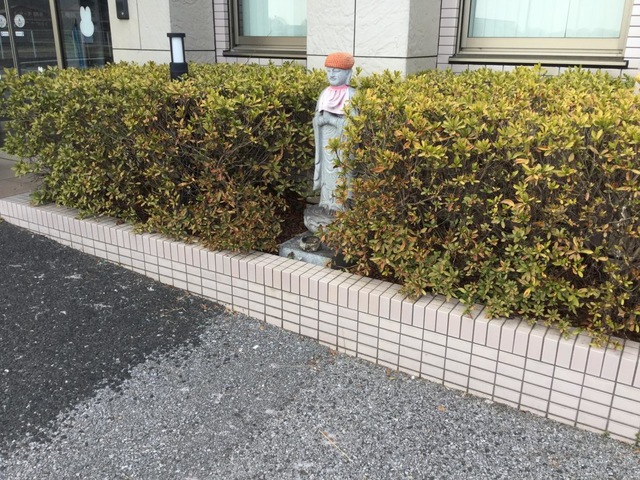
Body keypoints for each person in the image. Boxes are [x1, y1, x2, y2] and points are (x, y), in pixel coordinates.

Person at [312, 52, 355, 215]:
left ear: (348, 73)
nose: (331, 74)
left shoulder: (351, 95)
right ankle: (326, 201)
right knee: (327, 173)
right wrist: (319, 121)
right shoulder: (325, 93)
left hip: (342, 147)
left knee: (341, 172)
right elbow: (317, 118)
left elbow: (353, 125)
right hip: (325, 145)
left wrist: (332, 120)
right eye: (329, 70)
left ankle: (340, 205)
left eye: (336, 71)